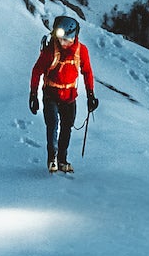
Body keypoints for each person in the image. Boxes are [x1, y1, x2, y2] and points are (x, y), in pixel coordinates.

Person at [29, 13, 98, 173]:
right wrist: (33, 94)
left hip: (69, 97)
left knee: (67, 127)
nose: (62, 42)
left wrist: (90, 94)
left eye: (65, 39)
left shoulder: (81, 51)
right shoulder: (50, 51)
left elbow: (87, 72)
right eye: (60, 38)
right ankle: (52, 158)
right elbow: (36, 71)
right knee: (52, 125)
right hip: (51, 95)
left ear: (74, 37)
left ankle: (62, 159)